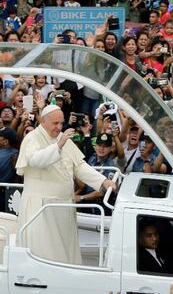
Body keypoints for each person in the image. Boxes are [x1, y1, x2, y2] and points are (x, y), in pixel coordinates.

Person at [15, 105, 115, 264]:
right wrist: (58, 146)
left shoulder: (62, 137)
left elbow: (79, 166)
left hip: (63, 207)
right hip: (41, 209)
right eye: (55, 123)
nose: (59, 127)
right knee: (46, 254)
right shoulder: (32, 138)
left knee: (65, 252)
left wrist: (102, 181)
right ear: (43, 121)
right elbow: (35, 161)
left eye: (61, 123)